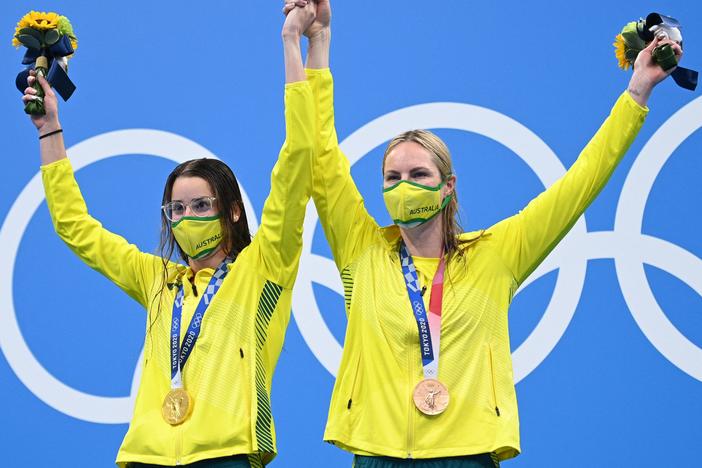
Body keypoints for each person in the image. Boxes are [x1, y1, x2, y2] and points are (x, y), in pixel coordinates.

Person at [288, 1, 683, 466]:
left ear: (448, 186)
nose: (404, 185)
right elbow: (319, 154)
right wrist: (314, 43)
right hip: (376, 453)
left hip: (468, 455)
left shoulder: (496, 256)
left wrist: (637, 91)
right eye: (392, 178)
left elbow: (581, 184)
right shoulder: (362, 251)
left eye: (418, 174)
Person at [21, 3, 319, 467]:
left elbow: (300, 158)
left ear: (235, 212)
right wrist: (49, 129)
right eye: (176, 208)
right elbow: (74, 227)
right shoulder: (157, 280)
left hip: (228, 456)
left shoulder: (265, 267)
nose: (187, 217)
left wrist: (293, 43)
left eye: (202, 205)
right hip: (146, 457)